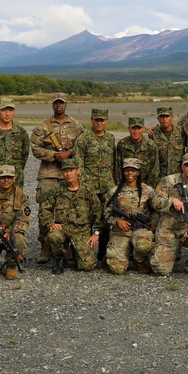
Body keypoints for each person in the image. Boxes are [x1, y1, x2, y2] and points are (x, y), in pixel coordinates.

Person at [31, 92, 84, 262]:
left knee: (69, 210)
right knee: (45, 210)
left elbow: (83, 146)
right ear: (52, 104)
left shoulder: (77, 126)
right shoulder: (43, 127)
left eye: (62, 102)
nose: (59, 105)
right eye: (56, 102)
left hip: (69, 173)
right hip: (49, 175)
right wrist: (54, 155)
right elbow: (35, 148)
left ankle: (65, 245)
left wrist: (69, 153)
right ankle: (45, 247)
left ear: (66, 104)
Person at [40, 158, 102, 274]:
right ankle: (59, 258)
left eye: (71, 171)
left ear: (78, 171)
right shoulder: (57, 189)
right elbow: (45, 208)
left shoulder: (87, 190)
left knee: (88, 266)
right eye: (65, 171)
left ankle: (75, 251)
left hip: (81, 231)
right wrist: (51, 223)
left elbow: (98, 212)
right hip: (63, 229)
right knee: (54, 236)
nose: (68, 174)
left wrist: (96, 233)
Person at [73, 108, 116, 260]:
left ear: (106, 121)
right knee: (86, 219)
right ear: (91, 120)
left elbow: (114, 163)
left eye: (102, 120)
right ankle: (84, 251)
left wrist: (115, 185)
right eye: (96, 119)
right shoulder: (83, 139)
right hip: (89, 186)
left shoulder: (110, 139)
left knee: (106, 219)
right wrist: (83, 185)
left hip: (107, 187)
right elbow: (78, 164)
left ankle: (103, 253)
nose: (99, 122)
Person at [104, 158, 155, 275]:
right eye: (127, 170)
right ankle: (112, 254)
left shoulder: (148, 190)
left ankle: (138, 260)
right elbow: (106, 213)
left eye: (133, 170)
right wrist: (117, 221)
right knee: (117, 269)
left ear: (138, 172)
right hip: (121, 231)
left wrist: (154, 223)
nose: (130, 173)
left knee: (144, 245)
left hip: (141, 229)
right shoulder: (114, 192)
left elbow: (155, 210)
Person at [116, 116, 161, 188]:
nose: (136, 131)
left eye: (139, 128)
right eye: (133, 128)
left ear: (143, 129)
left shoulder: (150, 145)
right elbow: (118, 168)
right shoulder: (122, 144)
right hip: (126, 186)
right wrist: (120, 187)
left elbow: (154, 170)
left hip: (145, 186)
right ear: (129, 129)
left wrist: (148, 189)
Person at [150, 105, 184, 177]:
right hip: (160, 176)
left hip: (178, 176)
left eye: (167, 116)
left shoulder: (181, 133)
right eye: (162, 117)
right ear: (158, 118)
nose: (164, 119)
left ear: (172, 117)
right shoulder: (153, 134)